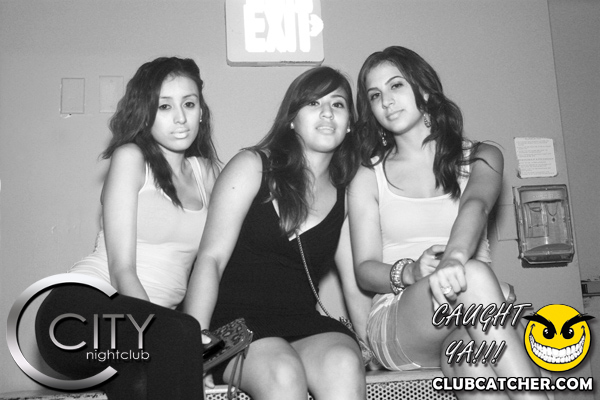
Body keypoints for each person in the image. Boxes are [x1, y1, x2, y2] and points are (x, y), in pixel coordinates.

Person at [349, 46, 547, 400]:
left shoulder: (482, 156)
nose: (386, 101)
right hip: (401, 324)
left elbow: (476, 205)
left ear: (425, 89)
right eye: (375, 95)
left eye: (396, 86)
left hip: (472, 317)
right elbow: (364, 270)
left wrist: (453, 260)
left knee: (470, 362)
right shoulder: (368, 175)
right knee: (474, 276)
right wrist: (411, 272)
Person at [35, 57, 219, 400]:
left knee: (142, 378)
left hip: (145, 334)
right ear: (145, 113)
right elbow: (122, 270)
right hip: (79, 312)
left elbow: (215, 263)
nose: (180, 118)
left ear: (201, 112)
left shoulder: (207, 174)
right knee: (180, 333)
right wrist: (172, 337)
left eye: (189, 104)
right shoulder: (131, 158)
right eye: (164, 106)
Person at [184, 66, 369, 400]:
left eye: (338, 104)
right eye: (313, 103)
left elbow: (353, 282)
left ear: (350, 123)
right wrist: (194, 350)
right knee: (283, 372)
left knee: (344, 362)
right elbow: (210, 259)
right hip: (234, 325)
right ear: (292, 119)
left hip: (301, 322)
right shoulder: (252, 166)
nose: (327, 112)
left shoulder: (347, 190)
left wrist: (373, 347)